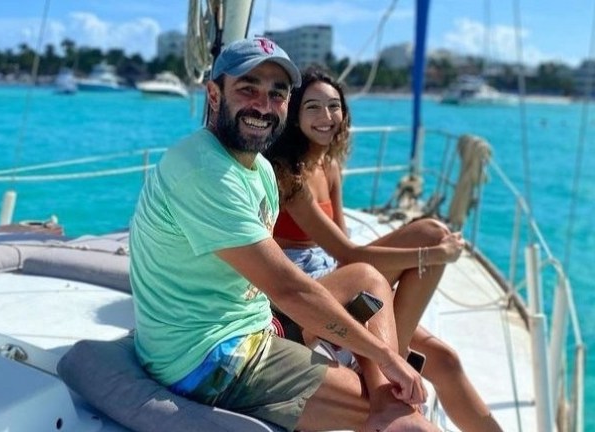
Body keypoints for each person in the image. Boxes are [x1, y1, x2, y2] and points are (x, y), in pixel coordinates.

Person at [129, 37, 437, 432]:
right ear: (213, 95)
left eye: (277, 94)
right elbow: (288, 289)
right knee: (412, 424)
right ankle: (383, 408)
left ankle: (382, 403)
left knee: (365, 278)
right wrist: (385, 356)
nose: (263, 104)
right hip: (207, 357)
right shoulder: (204, 171)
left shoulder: (257, 170)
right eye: (247, 89)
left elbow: (274, 286)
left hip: (253, 324)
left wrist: (368, 352)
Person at [264, 66, 503, 432]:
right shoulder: (288, 174)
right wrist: (429, 257)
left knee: (448, 360)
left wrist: (422, 254)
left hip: (342, 276)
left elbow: (346, 251)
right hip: (312, 290)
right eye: (313, 107)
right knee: (427, 242)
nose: (326, 117)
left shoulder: (328, 166)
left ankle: (391, 353)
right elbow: (349, 256)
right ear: (294, 115)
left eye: (334, 106)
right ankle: (391, 362)